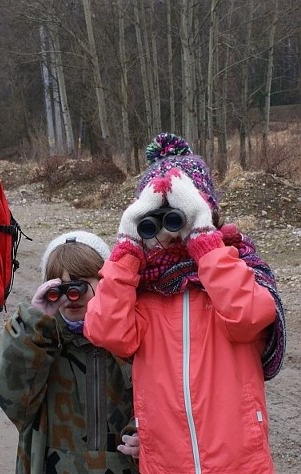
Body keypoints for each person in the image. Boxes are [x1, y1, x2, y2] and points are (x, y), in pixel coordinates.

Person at [84, 133, 287, 474]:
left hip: (239, 461)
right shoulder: (142, 285)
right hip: (166, 462)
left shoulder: (237, 264)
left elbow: (248, 317)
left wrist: (205, 242)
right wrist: (127, 246)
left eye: (179, 215)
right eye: (156, 218)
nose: (170, 230)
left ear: (205, 211)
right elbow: (106, 331)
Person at [0, 230, 139, 474]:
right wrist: (35, 322)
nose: (71, 297)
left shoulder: (129, 338)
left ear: (106, 281)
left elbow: (158, 401)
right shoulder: (38, 340)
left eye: (82, 283)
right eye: (60, 287)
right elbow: (5, 390)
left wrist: (139, 433)